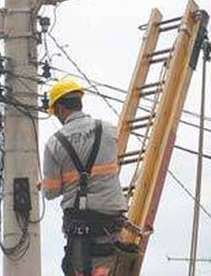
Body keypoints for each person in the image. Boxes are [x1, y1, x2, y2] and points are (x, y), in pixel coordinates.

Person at [42, 78, 127, 276]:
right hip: (110, 218)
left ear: (61, 108)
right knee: (108, 265)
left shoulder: (54, 143)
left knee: (80, 268)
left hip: (80, 223)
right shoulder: (109, 130)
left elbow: (51, 191)